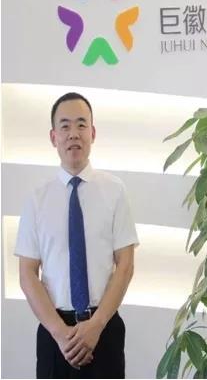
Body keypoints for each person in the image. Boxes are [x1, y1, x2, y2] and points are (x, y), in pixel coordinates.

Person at [15, 92, 139, 379]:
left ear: (93, 133)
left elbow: (125, 265)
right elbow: (27, 273)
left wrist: (96, 325)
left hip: (104, 328)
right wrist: (61, 334)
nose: (74, 134)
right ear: (53, 137)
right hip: (54, 332)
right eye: (65, 126)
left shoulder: (115, 191)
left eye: (81, 125)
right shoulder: (37, 198)